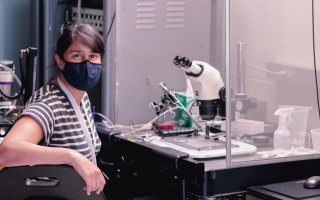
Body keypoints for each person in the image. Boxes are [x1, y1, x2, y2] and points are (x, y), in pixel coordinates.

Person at [0, 23, 106, 196]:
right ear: (60, 61)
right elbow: (6, 151)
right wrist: (71, 156)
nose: (87, 63)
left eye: (93, 56)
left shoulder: (82, 97)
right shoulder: (49, 104)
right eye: (77, 55)